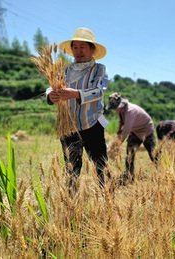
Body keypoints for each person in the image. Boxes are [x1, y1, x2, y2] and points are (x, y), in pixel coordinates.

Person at [46, 27, 109, 192]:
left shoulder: (99, 69)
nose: (78, 51)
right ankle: (70, 203)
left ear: (92, 49)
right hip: (69, 126)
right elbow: (52, 86)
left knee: (100, 164)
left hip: (93, 124)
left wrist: (76, 93)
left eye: (83, 47)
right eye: (75, 47)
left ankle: (107, 200)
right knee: (71, 167)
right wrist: (50, 95)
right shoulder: (65, 70)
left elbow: (99, 91)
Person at [108, 93, 158, 185]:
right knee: (129, 153)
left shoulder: (131, 111)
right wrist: (118, 134)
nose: (115, 110)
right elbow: (121, 124)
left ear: (121, 105)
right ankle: (129, 175)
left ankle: (161, 173)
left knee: (153, 153)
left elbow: (126, 129)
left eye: (115, 108)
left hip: (146, 130)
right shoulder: (121, 111)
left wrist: (117, 144)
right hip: (135, 131)